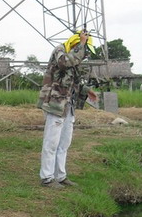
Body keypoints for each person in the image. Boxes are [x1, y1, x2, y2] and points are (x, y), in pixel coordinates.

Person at [37, 30, 98, 189]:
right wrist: (82, 45)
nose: (85, 55)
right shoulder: (60, 51)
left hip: (68, 106)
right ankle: (47, 178)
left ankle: (60, 176)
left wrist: (86, 91)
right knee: (51, 142)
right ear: (76, 45)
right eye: (84, 51)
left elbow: (73, 82)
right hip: (55, 104)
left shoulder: (75, 59)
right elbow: (64, 63)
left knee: (64, 143)